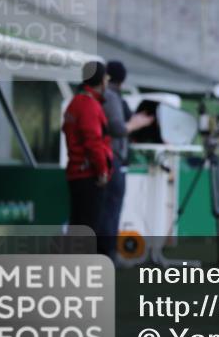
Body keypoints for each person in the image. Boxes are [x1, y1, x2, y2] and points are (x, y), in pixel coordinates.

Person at [99, 60, 154, 261]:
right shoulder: (111, 97)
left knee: (103, 208)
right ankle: (108, 255)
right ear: (122, 80)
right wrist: (137, 123)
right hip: (112, 159)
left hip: (102, 160)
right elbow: (118, 128)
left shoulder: (100, 95)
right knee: (111, 209)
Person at [62, 61, 113, 239]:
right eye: (106, 76)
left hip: (76, 174)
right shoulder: (89, 106)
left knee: (77, 226)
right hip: (88, 176)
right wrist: (102, 172)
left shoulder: (75, 102)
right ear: (100, 80)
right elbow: (93, 143)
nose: (108, 80)